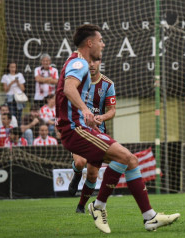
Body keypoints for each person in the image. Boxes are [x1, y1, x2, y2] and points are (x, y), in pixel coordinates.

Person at [56, 24, 179, 233]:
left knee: (130, 160)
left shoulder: (81, 65)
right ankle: (98, 206)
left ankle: (149, 217)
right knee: (124, 157)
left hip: (82, 127)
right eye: (101, 40)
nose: (103, 45)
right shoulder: (79, 63)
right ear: (90, 43)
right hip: (75, 129)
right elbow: (68, 89)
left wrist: (91, 117)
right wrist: (85, 110)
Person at [67, 58, 117, 213]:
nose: (92, 64)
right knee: (81, 162)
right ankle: (76, 174)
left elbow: (112, 110)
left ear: (100, 62)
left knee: (93, 174)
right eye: (89, 61)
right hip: (78, 129)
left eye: (95, 61)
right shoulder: (76, 83)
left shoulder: (108, 84)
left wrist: (102, 117)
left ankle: (81, 206)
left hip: (98, 133)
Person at [1, 61, 26, 125]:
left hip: (19, 98)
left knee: (19, 115)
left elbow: (23, 89)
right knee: (12, 115)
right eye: (11, 67)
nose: (13, 69)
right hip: (10, 98)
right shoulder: (5, 76)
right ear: (8, 68)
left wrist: (17, 82)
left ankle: (19, 130)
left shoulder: (20, 75)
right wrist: (11, 83)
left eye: (14, 67)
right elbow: (6, 90)